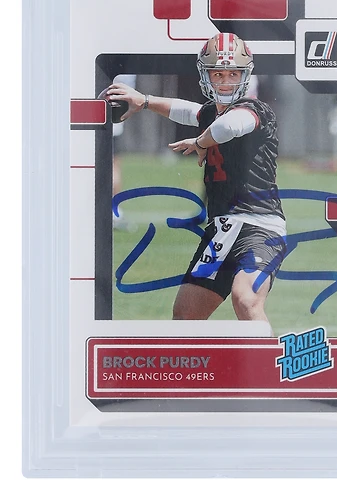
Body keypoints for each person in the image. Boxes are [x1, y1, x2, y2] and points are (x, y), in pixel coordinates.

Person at [100, 33, 287, 329]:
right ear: (206, 75)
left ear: (245, 75)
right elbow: (186, 110)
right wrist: (144, 101)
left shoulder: (256, 111)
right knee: (186, 314)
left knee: (246, 299)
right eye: (218, 74)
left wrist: (200, 142)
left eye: (233, 74)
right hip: (221, 230)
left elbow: (228, 127)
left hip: (260, 228)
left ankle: (267, 361)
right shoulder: (212, 112)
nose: (226, 81)